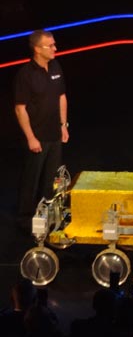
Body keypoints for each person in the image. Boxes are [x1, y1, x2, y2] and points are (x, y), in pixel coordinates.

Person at [14, 29, 70, 229]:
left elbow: (61, 97)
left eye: (54, 44)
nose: (55, 48)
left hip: (55, 134)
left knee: (51, 180)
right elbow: (20, 109)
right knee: (31, 180)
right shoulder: (26, 74)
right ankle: (25, 221)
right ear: (37, 49)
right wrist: (31, 137)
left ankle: (49, 217)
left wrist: (64, 125)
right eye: (51, 45)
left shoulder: (55, 66)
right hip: (36, 137)